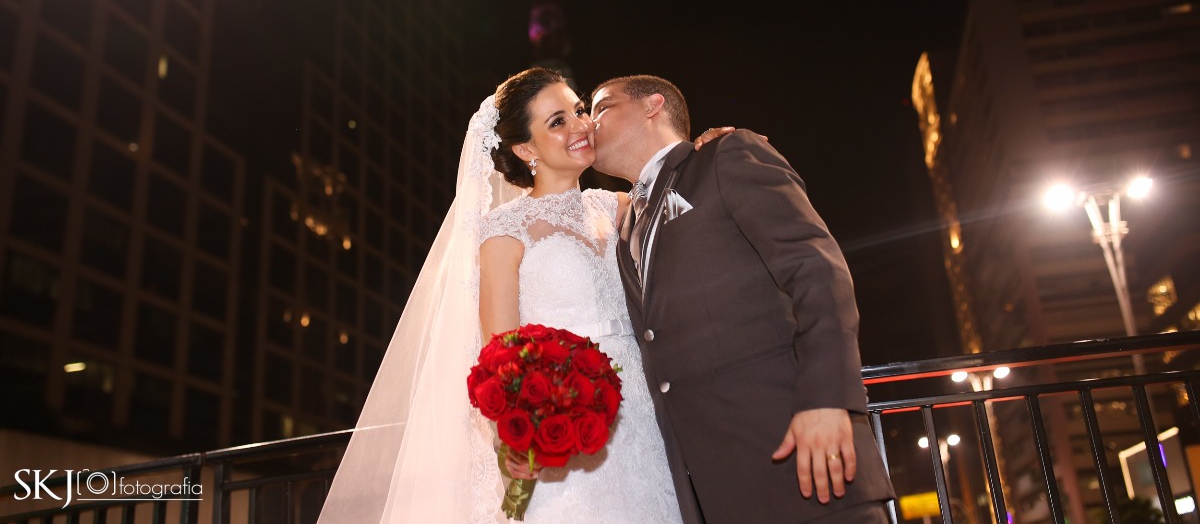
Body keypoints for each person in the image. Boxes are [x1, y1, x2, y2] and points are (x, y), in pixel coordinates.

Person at [316, 67, 732, 524]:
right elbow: (500, 353)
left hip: (645, 416)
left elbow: (681, 202)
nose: (580, 125)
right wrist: (516, 434)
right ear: (525, 148)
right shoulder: (503, 232)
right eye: (557, 121)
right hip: (566, 419)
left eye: (578, 111)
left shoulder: (617, 207)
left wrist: (703, 155)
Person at [588, 74, 896, 524]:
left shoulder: (726, 155)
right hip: (715, 492)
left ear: (653, 105)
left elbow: (816, 270)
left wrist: (829, 400)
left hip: (802, 459)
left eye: (600, 107)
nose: (587, 123)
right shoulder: (624, 230)